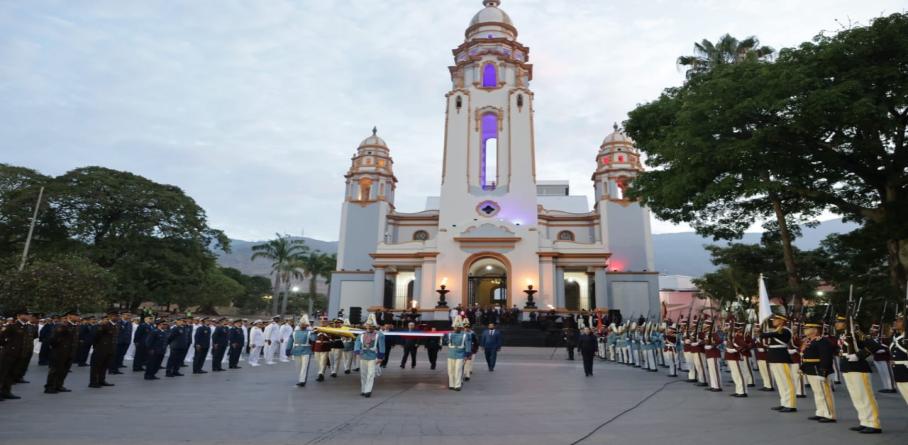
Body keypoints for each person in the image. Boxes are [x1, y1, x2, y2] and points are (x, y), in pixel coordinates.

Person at [835, 313, 882, 434]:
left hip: (858, 368)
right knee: (857, 397)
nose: (836, 324)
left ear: (846, 323)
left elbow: (874, 345)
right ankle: (865, 421)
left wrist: (858, 355)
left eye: (839, 322)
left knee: (865, 397)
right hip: (848, 368)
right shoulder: (843, 334)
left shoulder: (856, 333)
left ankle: (874, 423)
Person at [800, 313, 836, 424]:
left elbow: (826, 357)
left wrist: (823, 371)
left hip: (818, 370)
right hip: (811, 369)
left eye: (808, 328)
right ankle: (821, 412)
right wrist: (803, 367)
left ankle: (830, 414)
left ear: (815, 330)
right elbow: (807, 356)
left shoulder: (822, 341)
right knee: (817, 393)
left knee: (824, 393)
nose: (805, 329)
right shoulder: (810, 341)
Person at [761, 307, 796, 412]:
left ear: (782, 321)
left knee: (787, 382)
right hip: (774, 358)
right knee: (780, 383)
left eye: (776, 319)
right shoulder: (777, 330)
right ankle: (784, 402)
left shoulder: (785, 330)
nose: (774, 321)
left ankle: (791, 405)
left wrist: (762, 329)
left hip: (781, 358)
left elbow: (768, 335)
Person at [44, 311, 80, 394]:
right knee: (55, 370)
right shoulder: (61, 325)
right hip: (59, 352)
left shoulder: (75, 326)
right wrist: (57, 348)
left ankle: (59, 385)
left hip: (70, 352)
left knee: (64, 370)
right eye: (76, 315)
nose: (78, 317)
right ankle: (49, 387)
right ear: (69, 316)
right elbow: (53, 339)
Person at [0, 309, 32, 399]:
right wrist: (9, 346)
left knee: (11, 374)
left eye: (28, 314)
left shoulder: (27, 327)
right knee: (2, 373)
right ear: (19, 316)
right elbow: (1, 338)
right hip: (8, 354)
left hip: (19, 355)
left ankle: (6, 392)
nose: (28, 316)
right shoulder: (12, 326)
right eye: (26, 314)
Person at [354, 315, 385, 397]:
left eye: (371, 326)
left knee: (371, 374)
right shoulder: (361, 335)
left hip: (373, 356)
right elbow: (357, 343)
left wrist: (380, 357)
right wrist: (357, 351)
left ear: (374, 326)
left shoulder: (379, 335)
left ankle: (368, 391)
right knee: (363, 374)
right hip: (363, 356)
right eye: (368, 326)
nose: (369, 327)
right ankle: (363, 390)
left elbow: (382, 346)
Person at [89, 311, 119, 388]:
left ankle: (101, 380)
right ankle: (93, 382)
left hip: (110, 349)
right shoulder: (103, 325)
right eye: (115, 316)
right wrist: (97, 346)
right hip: (100, 349)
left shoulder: (115, 325)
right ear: (110, 316)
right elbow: (95, 337)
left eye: (117, 316)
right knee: (96, 366)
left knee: (104, 366)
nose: (117, 317)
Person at [445, 316, 471, 391]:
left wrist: (467, 355)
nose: (456, 328)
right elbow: (446, 342)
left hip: (460, 355)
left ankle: (457, 385)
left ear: (461, 328)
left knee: (458, 370)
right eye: (455, 327)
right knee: (450, 370)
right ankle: (451, 384)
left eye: (458, 327)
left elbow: (468, 346)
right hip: (451, 354)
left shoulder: (465, 335)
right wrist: (445, 338)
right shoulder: (449, 334)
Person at [291, 315, 316, 387]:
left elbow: (313, 339)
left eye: (304, 324)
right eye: (301, 324)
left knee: (304, 366)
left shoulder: (309, 332)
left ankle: (302, 381)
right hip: (297, 350)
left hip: (306, 350)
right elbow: (291, 340)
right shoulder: (295, 332)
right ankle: (300, 379)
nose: (302, 325)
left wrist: (312, 331)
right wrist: (288, 349)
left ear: (306, 325)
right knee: (298, 366)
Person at [890, 313, 908, 404]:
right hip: (898, 373)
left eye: (899, 321)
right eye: (895, 320)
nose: (895, 322)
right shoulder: (896, 337)